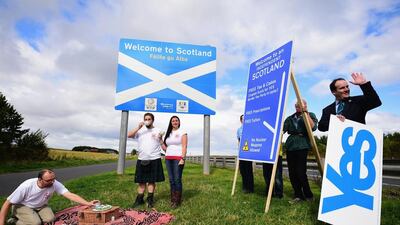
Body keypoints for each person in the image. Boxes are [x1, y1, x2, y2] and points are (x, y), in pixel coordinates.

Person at [0, 169, 98, 225]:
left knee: (50, 219)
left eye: (53, 179)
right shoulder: (27, 186)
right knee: (36, 223)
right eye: (48, 180)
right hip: (23, 206)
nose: (52, 182)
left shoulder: (54, 183)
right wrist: (1, 223)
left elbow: (69, 194)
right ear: (40, 179)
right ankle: (15, 219)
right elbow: (7, 203)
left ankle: (26, 217)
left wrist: (88, 203)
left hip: (41, 206)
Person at [283, 99, 318, 203]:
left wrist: (306, 113)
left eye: (302, 105)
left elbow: (313, 127)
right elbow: (283, 130)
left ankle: (309, 195)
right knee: (292, 172)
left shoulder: (310, 115)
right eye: (298, 106)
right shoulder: (290, 118)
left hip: (302, 145)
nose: (300, 107)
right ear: (295, 106)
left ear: (306, 105)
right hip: (290, 145)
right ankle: (298, 195)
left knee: (301, 172)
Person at [128, 113, 165, 208]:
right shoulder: (140, 130)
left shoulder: (158, 130)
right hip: (142, 158)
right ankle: (139, 199)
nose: (147, 120)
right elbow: (129, 135)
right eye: (146, 119)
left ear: (153, 120)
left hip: (154, 158)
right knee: (141, 181)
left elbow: (162, 144)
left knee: (152, 181)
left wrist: (161, 139)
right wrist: (138, 127)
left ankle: (150, 200)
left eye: (149, 119)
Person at [160, 116, 187, 208]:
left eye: (176, 121)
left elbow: (184, 146)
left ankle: (177, 201)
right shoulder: (168, 133)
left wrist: (182, 159)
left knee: (177, 179)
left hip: (178, 158)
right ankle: (173, 198)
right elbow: (165, 149)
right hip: (168, 158)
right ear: (170, 123)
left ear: (179, 122)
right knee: (171, 180)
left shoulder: (183, 132)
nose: (175, 122)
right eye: (173, 121)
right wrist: (160, 140)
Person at [237, 114, 254, 193]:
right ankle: (245, 186)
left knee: (248, 170)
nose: (244, 120)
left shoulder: (250, 129)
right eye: (242, 119)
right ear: (241, 120)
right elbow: (239, 141)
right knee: (242, 170)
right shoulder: (239, 130)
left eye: (245, 119)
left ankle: (250, 188)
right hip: (241, 152)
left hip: (248, 152)